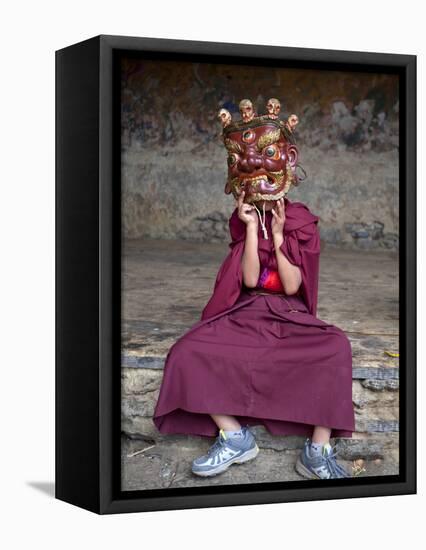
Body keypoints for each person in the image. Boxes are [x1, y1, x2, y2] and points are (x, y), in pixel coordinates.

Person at [152, 98, 355, 480]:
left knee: (336, 347)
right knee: (186, 351)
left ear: (288, 161)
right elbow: (247, 281)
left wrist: (278, 236)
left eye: (267, 155)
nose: (253, 166)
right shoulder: (240, 219)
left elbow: (293, 284)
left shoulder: (300, 220)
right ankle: (234, 437)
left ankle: (317, 449)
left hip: (288, 316)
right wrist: (249, 227)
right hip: (247, 312)